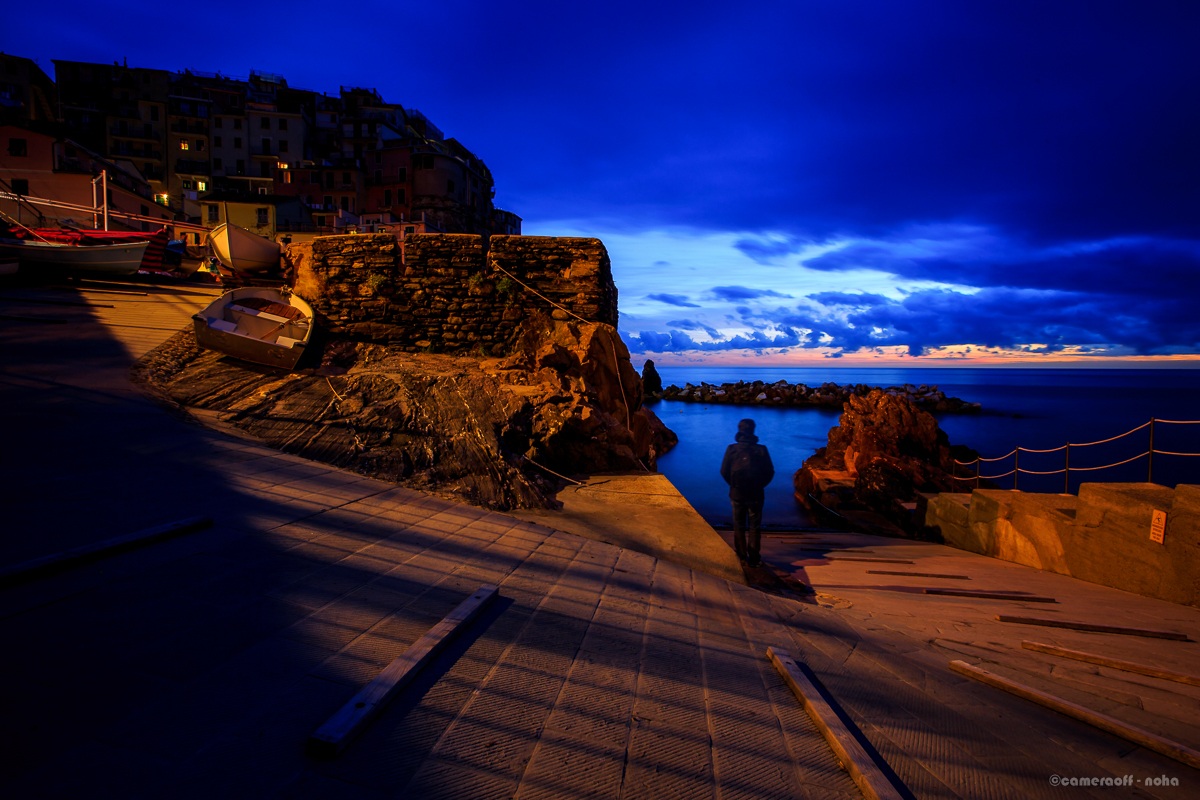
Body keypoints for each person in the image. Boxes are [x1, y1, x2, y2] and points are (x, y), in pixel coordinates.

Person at [720, 418, 774, 567]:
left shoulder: (732, 449)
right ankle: (754, 558)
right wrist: (760, 485)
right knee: (754, 526)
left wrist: (734, 485)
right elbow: (769, 472)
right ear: (753, 430)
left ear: (739, 430)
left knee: (738, 524)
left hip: (737, 493)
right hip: (756, 494)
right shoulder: (761, 450)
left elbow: (724, 471)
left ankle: (742, 556)